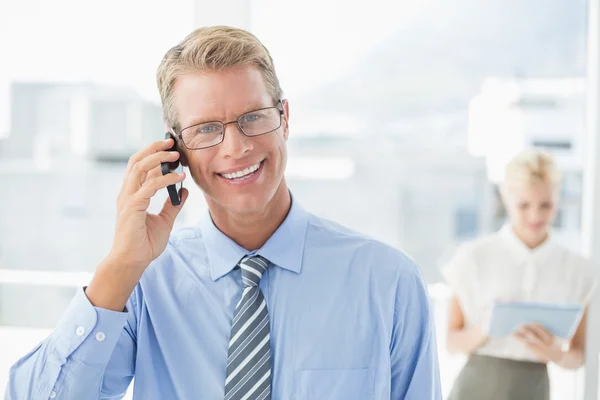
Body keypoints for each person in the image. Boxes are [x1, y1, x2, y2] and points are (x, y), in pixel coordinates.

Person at [5, 26, 441, 400]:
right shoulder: (144, 284)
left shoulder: (387, 280)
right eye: (206, 129)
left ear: (285, 118)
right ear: (174, 147)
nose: (236, 147)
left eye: (253, 117)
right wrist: (120, 266)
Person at [442, 149, 597, 400]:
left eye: (545, 205)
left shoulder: (578, 271)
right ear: (506, 198)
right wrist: (485, 328)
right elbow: (451, 342)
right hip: (474, 387)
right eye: (524, 205)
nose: (535, 216)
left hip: (534, 388)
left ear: (557, 199)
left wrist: (554, 353)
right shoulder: (472, 258)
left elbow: (578, 356)